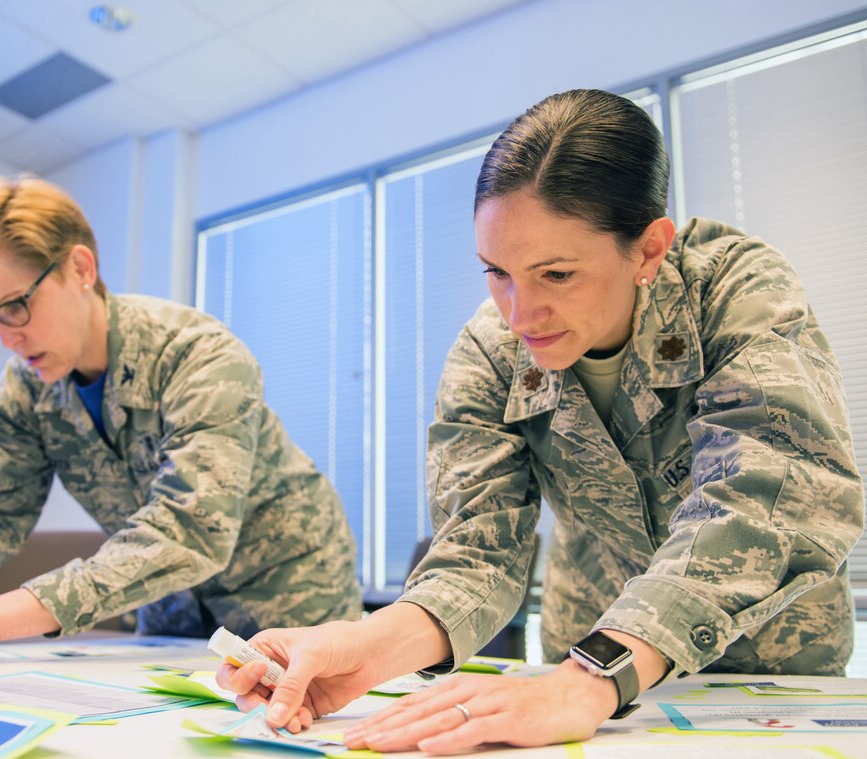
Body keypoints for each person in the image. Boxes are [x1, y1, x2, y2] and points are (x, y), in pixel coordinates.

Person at [216, 88, 864, 752]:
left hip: (764, 670)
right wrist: (368, 647)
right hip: (578, 681)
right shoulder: (490, 351)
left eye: (556, 273)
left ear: (647, 250)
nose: (520, 315)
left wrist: (592, 677)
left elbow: (771, 499)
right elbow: (478, 554)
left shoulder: (733, 291)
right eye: (498, 272)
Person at [0, 177, 362, 684]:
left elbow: (188, 530)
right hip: (172, 608)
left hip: (292, 593)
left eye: (16, 307)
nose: (8, 338)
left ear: (80, 268)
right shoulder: (24, 390)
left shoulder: (198, 354)